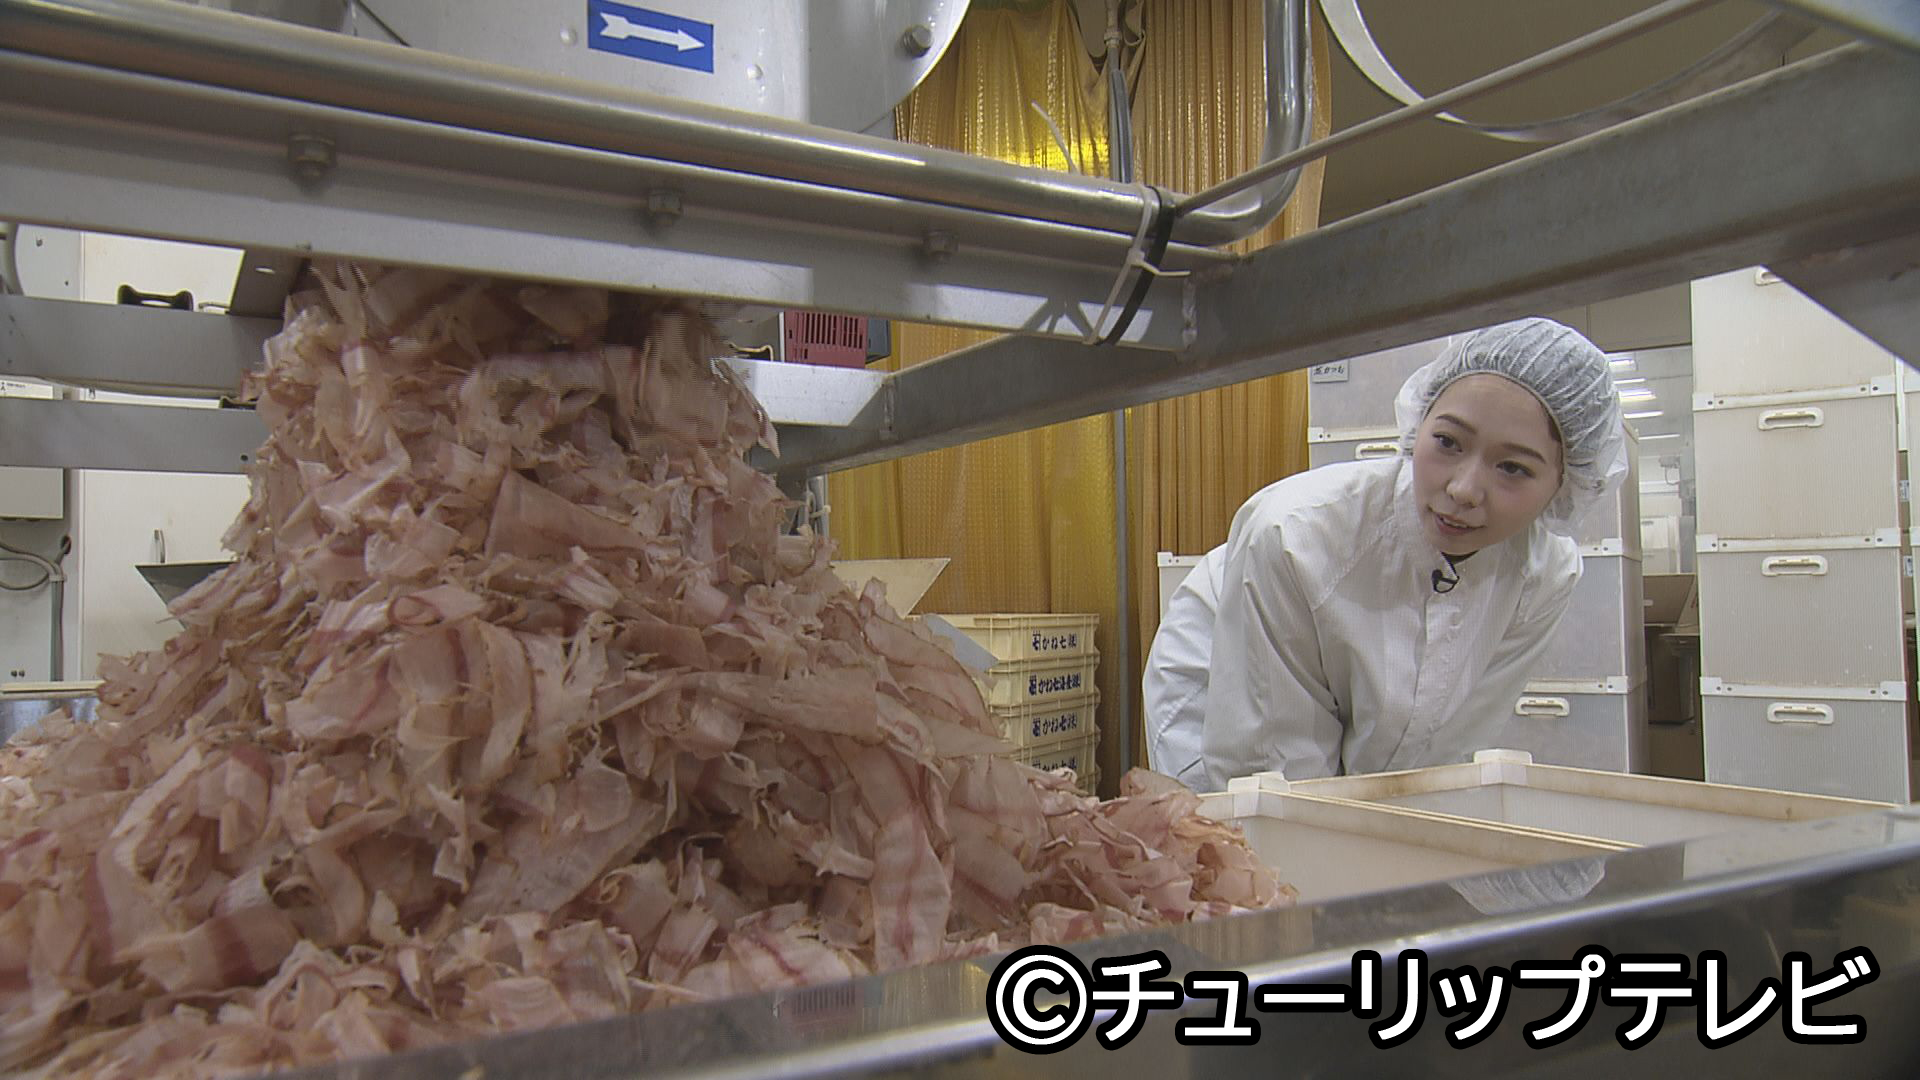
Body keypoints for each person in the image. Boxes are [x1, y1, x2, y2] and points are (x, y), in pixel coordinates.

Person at [1144, 318, 1627, 792]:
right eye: (1447, 442)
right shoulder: (1294, 534)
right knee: (1248, 828)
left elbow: (1450, 744)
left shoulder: (1543, 574)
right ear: (1419, 423)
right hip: (1223, 672)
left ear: (1566, 484)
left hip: (1352, 709)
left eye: (1513, 468)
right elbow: (1273, 771)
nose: (1463, 490)